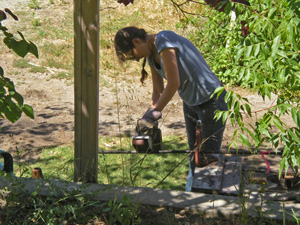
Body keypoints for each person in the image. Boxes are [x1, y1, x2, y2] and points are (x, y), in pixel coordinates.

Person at [114, 26, 228, 192]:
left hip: (212, 100)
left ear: (136, 41)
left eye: (132, 56)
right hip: (191, 102)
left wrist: (152, 114)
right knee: (194, 154)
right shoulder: (151, 56)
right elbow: (158, 92)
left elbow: (174, 83)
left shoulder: (164, 40)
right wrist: (147, 118)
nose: (135, 60)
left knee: (208, 155)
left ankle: (207, 201)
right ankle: (191, 196)